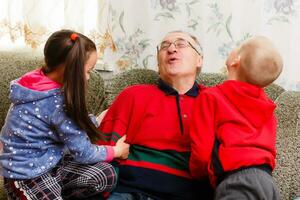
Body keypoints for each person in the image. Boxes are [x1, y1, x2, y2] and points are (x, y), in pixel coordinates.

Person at [0, 30, 130, 200]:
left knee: (105, 175)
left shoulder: (36, 80)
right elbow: (84, 153)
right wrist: (116, 151)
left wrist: (94, 120)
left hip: (52, 161)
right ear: (71, 69)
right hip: (25, 174)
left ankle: (56, 190)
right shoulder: (57, 103)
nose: (89, 77)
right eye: (88, 70)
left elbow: (65, 124)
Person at [97, 31, 214, 200]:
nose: (172, 49)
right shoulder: (133, 95)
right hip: (129, 191)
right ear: (158, 64)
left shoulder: (216, 101)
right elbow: (102, 148)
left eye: (181, 44)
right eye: (165, 46)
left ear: (199, 60)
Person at [189, 36, 283, 200]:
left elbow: (201, 150)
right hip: (268, 182)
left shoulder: (211, 97)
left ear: (235, 61)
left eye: (239, 47)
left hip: (236, 180)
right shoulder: (267, 106)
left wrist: (197, 176)